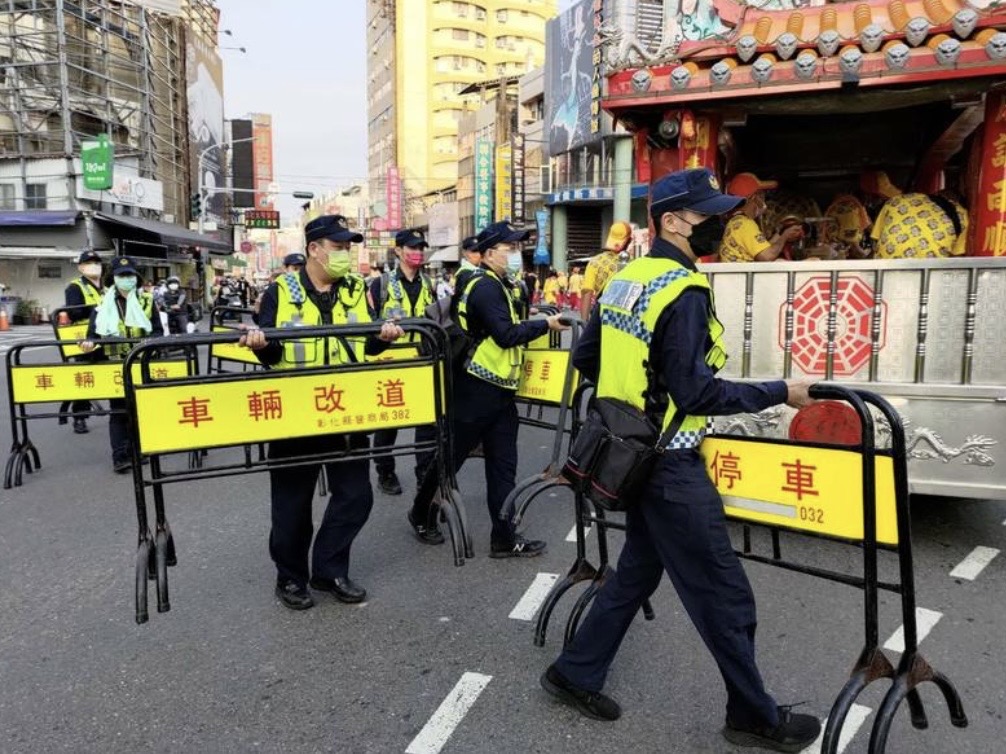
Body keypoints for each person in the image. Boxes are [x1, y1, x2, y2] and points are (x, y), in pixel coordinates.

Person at [539, 168, 821, 753]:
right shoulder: (684, 290)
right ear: (672, 221)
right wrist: (778, 391)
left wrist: (632, 404)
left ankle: (574, 672)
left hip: (629, 454)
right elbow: (696, 395)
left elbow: (588, 355)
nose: (722, 223)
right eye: (709, 214)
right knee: (725, 595)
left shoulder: (627, 277)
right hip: (669, 465)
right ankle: (753, 716)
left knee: (638, 569)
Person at [240, 215, 404, 611]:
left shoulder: (355, 289)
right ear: (314, 249)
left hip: (345, 407)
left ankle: (328, 569)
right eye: (338, 247)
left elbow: (364, 345)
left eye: (348, 247)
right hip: (296, 413)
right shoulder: (282, 290)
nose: (345, 255)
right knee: (292, 506)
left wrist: (383, 339)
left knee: (356, 497)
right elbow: (272, 353)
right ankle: (291, 578)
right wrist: (261, 345)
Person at [409, 222, 568, 555]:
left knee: (503, 464)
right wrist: (546, 324)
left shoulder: (498, 283)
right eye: (510, 248)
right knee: (450, 460)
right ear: (491, 252)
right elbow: (505, 335)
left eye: (517, 248)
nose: (516, 254)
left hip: (499, 391)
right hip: (475, 390)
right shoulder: (485, 287)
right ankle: (421, 513)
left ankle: (504, 537)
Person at [368, 229, 438, 496]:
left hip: (422, 361)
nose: (417, 253)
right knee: (389, 420)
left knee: (427, 422)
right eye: (412, 248)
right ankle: (385, 471)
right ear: (398, 251)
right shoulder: (381, 285)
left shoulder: (429, 284)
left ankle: (424, 474)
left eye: (421, 248)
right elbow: (370, 321)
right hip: (390, 362)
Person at [79, 257, 163, 473]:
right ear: (113, 279)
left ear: (137, 277)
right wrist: (89, 344)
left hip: (140, 363)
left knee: (140, 408)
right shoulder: (102, 305)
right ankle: (120, 456)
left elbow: (157, 331)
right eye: (122, 275)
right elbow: (93, 335)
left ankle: (138, 450)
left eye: (130, 275)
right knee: (118, 411)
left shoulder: (147, 300)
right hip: (115, 366)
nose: (126, 279)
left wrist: (149, 344)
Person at [864, 172, 968, 259]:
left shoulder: (895, 201)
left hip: (886, 274)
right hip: (931, 276)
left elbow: (877, 242)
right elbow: (958, 258)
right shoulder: (963, 216)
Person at [61, 251, 105, 434]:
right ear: (80, 267)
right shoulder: (75, 287)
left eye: (97, 262)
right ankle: (79, 417)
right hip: (85, 339)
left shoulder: (106, 287)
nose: (94, 265)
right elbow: (74, 313)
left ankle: (119, 412)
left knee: (111, 373)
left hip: (106, 337)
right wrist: (98, 310)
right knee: (84, 378)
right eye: (89, 262)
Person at [718, 173, 803, 262]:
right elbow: (767, 256)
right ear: (754, 198)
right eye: (761, 195)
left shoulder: (737, 222)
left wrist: (781, 233)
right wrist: (785, 236)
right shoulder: (745, 225)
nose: (763, 199)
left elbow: (763, 249)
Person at [580, 221, 632, 320]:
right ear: (629, 240)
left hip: (600, 313)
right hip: (625, 317)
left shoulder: (595, 262)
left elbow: (587, 291)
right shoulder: (634, 263)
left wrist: (584, 322)